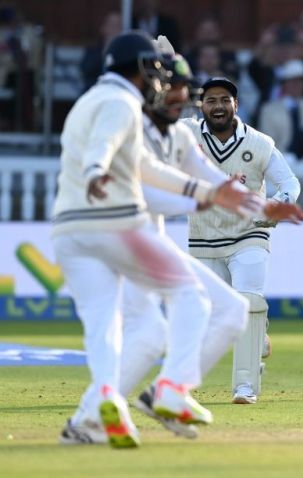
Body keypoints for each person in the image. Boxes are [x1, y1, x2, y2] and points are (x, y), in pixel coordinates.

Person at [52, 31, 260, 448]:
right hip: (124, 230)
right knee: (196, 302)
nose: (173, 93)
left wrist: (254, 205)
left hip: (77, 230)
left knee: (135, 331)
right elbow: (124, 165)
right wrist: (200, 199)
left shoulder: (106, 107)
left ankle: (96, 412)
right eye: (168, 83)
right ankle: (168, 390)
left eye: (182, 89)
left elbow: (167, 171)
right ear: (144, 74)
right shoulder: (123, 105)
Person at [182, 76, 302, 405]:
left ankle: (244, 386)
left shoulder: (259, 143)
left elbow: (289, 181)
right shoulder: (188, 134)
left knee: (247, 302)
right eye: (211, 100)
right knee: (221, 316)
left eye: (225, 100)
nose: (218, 106)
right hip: (204, 237)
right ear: (201, 105)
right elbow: (158, 123)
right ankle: (258, 334)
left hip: (250, 233)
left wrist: (279, 202)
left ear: (236, 104)